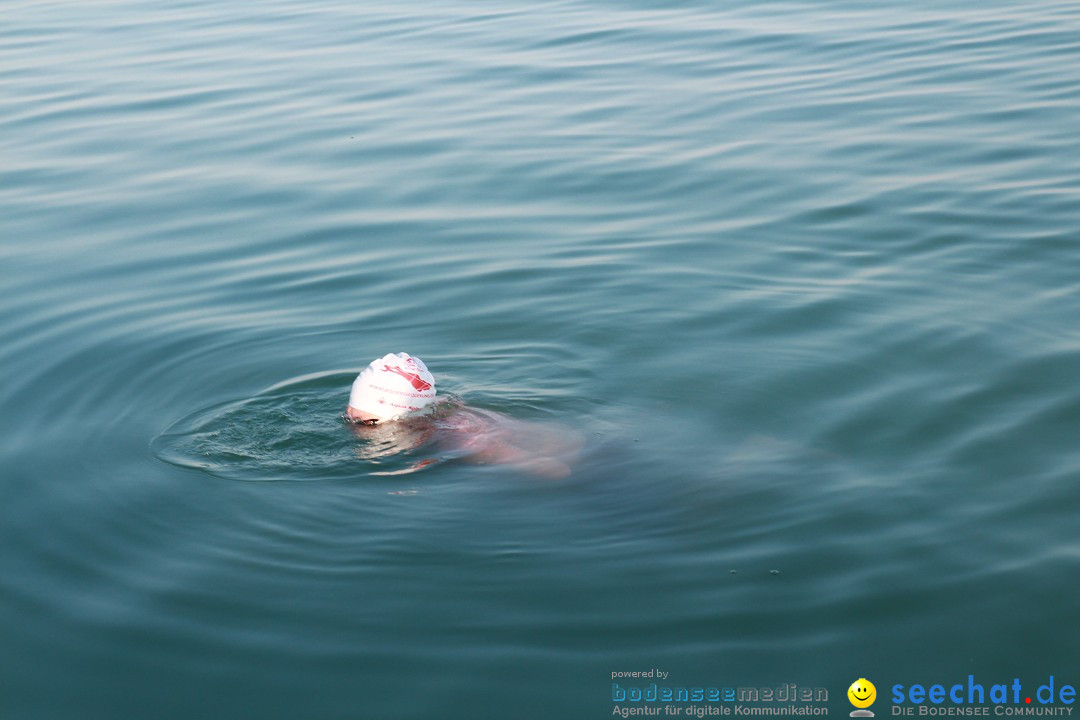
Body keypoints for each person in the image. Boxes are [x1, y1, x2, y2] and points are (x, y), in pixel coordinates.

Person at [345, 352, 582, 478]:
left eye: (369, 424)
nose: (351, 422)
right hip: (544, 433)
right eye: (350, 413)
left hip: (558, 452)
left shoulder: (461, 439)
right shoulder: (434, 409)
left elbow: (553, 469)